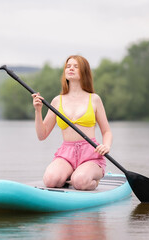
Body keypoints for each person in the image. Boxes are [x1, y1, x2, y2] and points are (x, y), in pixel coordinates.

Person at [32, 55, 113, 191]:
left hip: (91, 154)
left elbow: (106, 131)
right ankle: (70, 176)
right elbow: (42, 135)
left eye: (76, 66)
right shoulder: (57, 101)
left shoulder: (94, 99)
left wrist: (106, 146)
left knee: (80, 181)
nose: (71, 68)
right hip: (66, 154)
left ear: (84, 72)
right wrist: (38, 111)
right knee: (50, 180)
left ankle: (90, 179)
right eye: (68, 66)